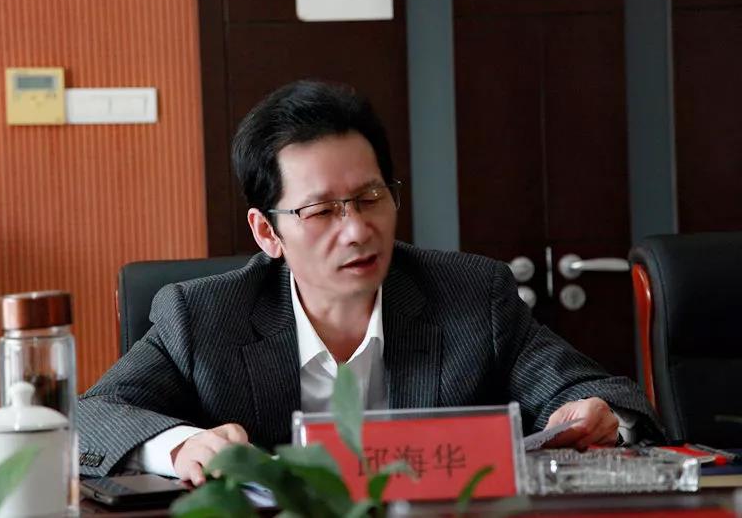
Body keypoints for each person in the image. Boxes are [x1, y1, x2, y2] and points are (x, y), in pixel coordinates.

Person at [77, 80, 662, 485]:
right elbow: (88, 418)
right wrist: (181, 445)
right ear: (267, 232)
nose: (357, 230)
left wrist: (598, 414)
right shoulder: (203, 316)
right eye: (321, 211)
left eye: (370, 198)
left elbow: (597, 393)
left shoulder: (470, 294)